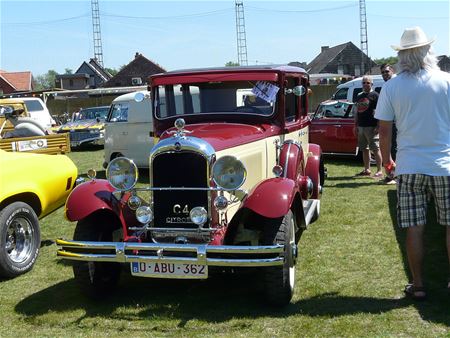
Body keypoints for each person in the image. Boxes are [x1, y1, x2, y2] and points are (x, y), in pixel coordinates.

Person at [376, 26, 450, 300]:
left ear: (403, 55)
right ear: (428, 51)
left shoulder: (392, 86)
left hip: (409, 166)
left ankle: (418, 286)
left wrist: (386, 161)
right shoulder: (447, 81)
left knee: (414, 228)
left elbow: (384, 131)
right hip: (445, 165)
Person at [353, 75, 382, 178]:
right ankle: (367, 169)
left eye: (368, 83)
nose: (365, 84)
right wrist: (355, 125)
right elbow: (357, 111)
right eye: (364, 83)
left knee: (375, 149)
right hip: (361, 126)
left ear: (372, 84)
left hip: (372, 126)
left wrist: (378, 126)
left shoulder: (375, 95)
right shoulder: (359, 95)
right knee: (364, 149)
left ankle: (379, 171)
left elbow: (379, 112)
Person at [379, 63, 397, 185]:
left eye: (387, 71)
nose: (385, 74)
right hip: (388, 122)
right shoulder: (386, 86)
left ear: (392, 71)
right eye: (383, 72)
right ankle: (390, 174)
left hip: (397, 122)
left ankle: (394, 176)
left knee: (394, 148)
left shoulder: (396, 84)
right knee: (388, 148)